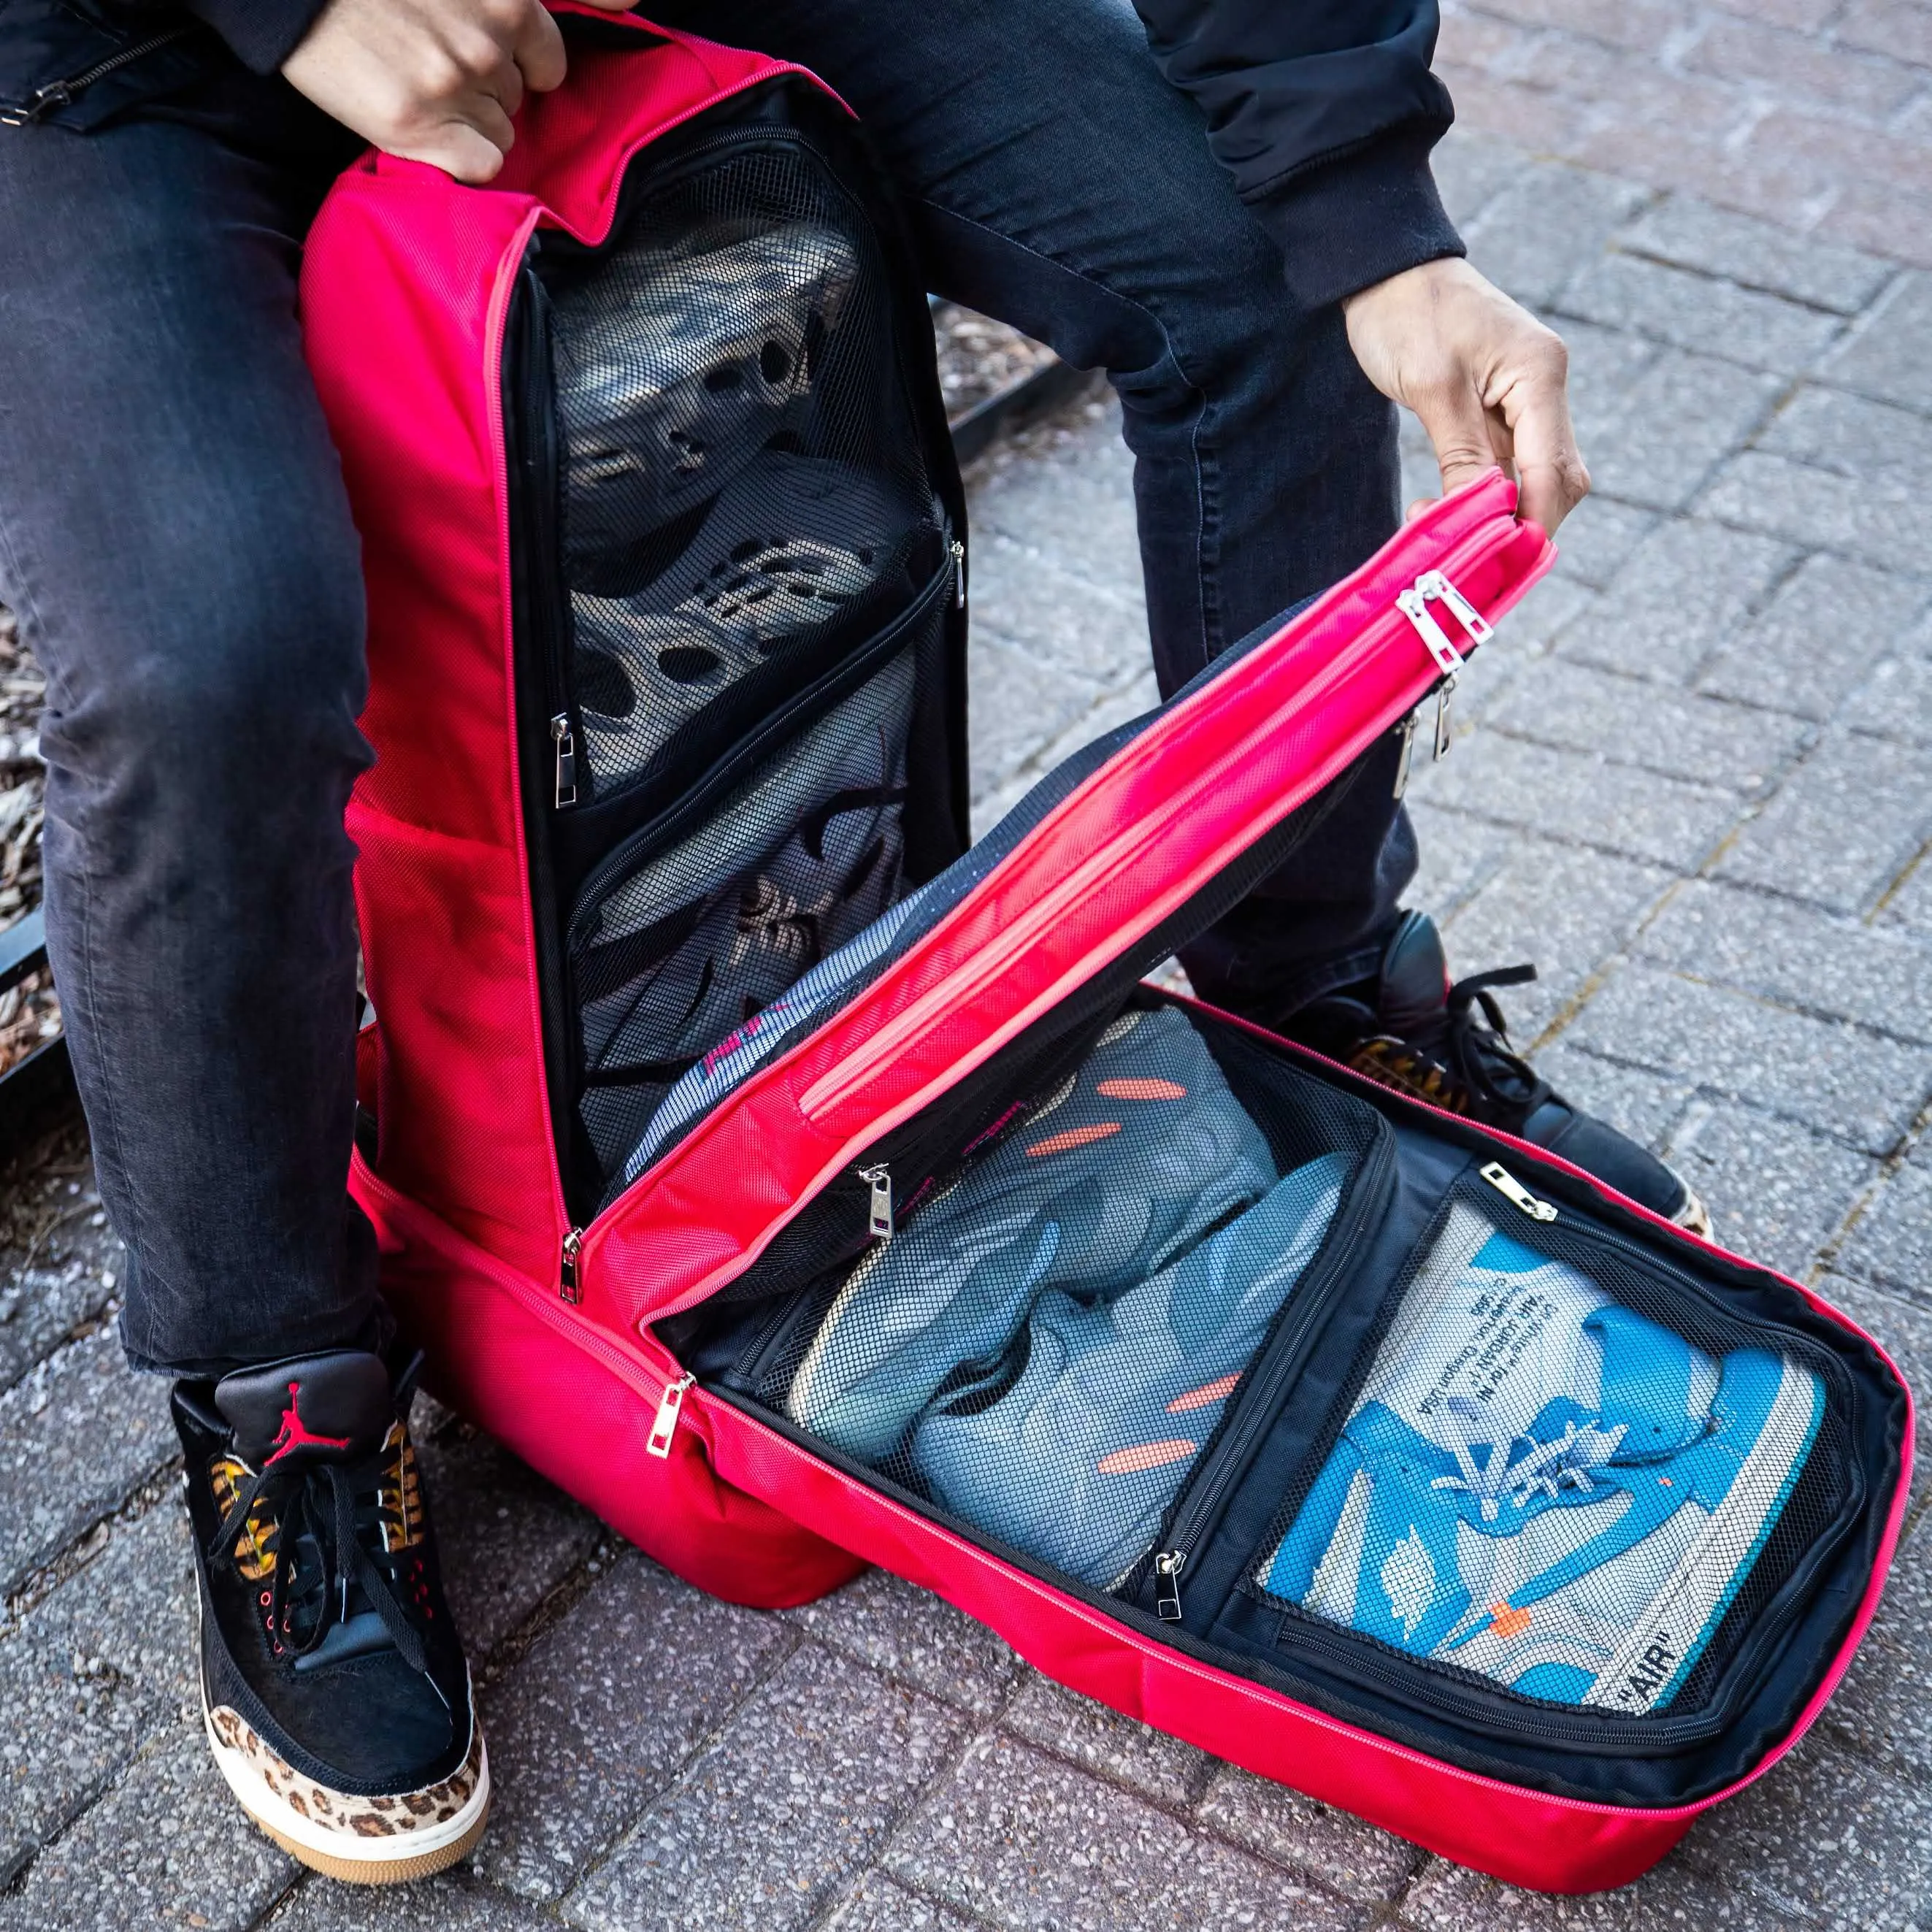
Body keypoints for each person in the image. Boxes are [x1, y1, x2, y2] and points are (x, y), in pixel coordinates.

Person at [0, 0, 1704, 1883]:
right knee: (199, 665)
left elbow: (1313, 201)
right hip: (121, 61)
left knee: (1259, 273)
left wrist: (1380, 224)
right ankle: (282, 1405)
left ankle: (1307, 985)